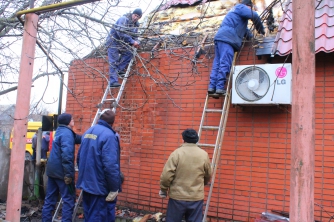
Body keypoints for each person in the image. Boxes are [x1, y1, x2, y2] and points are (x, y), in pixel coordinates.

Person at [208, 0, 265, 95]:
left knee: (217, 64)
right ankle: (219, 88)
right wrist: (261, 30)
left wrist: (251, 38)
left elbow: (245, 31)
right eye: (251, 8)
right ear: (248, 6)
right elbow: (254, 15)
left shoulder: (236, 14)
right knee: (224, 63)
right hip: (228, 39)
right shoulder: (241, 7)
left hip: (220, 38)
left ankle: (212, 87)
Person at [76, 110, 121, 221]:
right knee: (99, 217)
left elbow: (79, 157)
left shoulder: (88, 132)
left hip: (87, 185)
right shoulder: (109, 136)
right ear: (112, 122)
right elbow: (110, 165)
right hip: (100, 188)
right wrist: (114, 188)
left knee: (89, 215)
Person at [159, 129, 212, 222]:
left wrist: (163, 189)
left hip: (177, 197)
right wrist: (201, 184)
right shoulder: (204, 154)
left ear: (183, 139)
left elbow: (166, 175)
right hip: (196, 197)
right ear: (196, 140)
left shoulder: (177, 153)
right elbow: (208, 174)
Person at [42, 113, 82, 222]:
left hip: (52, 171)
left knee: (50, 199)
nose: (73, 120)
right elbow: (67, 155)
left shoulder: (61, 131)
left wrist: (88, 136)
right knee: (68, 200)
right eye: (72, 119)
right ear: (68, 121)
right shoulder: (67, 134)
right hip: (62, 173)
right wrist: (68, 175)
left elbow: (77, 138)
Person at [105, 8, 142, 88]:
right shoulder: (123, 19)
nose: (136, 17)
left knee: (130, 52)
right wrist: (132, 42)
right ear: (132, 14)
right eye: (135, 15)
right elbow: (120, 33)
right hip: (113, 41)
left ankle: (119, 70)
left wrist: (137, 42)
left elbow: (135, 37)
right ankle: (113, 82)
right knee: (113, 60)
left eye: (138, 17)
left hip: (121, 43)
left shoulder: (135, 27)